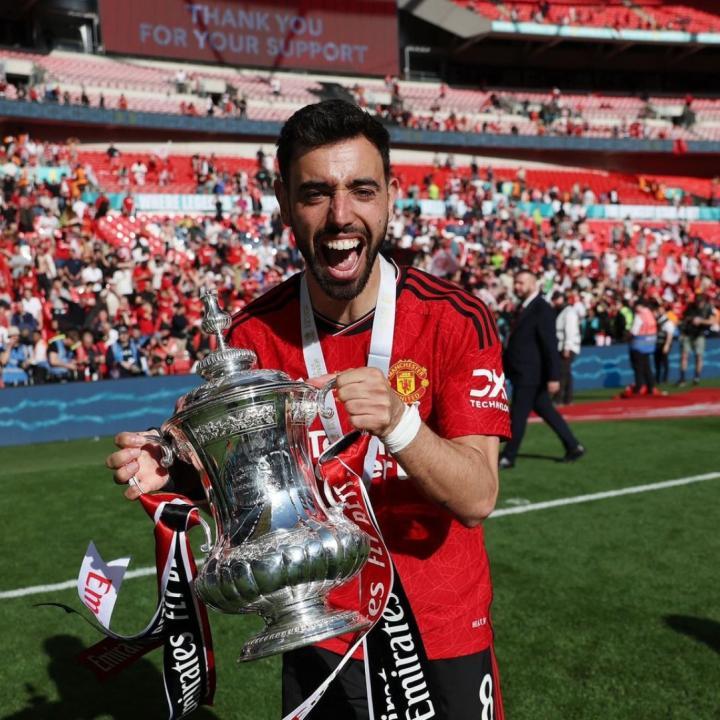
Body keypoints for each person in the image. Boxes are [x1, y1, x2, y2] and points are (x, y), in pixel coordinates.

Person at [105, 99, 510, 719]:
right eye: (316, 193)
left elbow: (478, 496)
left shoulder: (454, 317)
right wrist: (176, 474)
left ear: (391, 195)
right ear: (284, 201)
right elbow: (244, 498)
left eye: (362, 190)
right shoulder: (252, 337)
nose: (340, 216)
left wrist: (400, 422)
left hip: (441, 633)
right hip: (317, 631)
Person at [500, 270, 585, 469]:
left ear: (533, 284)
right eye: (516, 282)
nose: (517, 286)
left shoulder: (541, 308)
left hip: (531, 373)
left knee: (518, 415)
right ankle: (573, 446)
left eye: (521, 283)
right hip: (523, 371)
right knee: (546, 410)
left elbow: (549, 345)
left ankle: (509, 456)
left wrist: (554, 376)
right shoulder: (524, 307)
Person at [622, 298, 658, 397]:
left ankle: (639, 387)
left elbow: (634, 331)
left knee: (638, 368)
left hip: (638, 344)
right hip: (649, 344)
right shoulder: (650, 314)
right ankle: (651, 387)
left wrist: (627, 337)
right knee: (647, 367)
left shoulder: (640, 315)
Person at [677, 292, 714, 386]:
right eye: (697, 301)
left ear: (704, 301)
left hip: (700, 334)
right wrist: (690, 320)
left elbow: (712, 321)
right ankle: (682, 378)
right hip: (688, 333)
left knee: (699, 356)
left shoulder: (708, 308)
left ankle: (697, 378)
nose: (699, 303)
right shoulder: (690, 306)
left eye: (700, 302)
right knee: (684, 355)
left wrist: (701, 321)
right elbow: (683, 318)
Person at [552, 290, 581, 405]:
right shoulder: (561, 311)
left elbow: (570, 331)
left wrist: (567, 347)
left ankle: (558, 398)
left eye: (556, 299)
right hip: (562, 345)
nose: (555, 301)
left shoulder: (569, 312)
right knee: (566, 373)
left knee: (562, 372)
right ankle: (568, 399)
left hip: (568, 346)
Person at [653, 301, 675, 385]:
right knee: (657, 362)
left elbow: (670, 334)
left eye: (661, 309)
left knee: (664, 362)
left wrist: (667, 345)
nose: (659, 311)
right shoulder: (657, 320)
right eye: (658, 310)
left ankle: (665, 379)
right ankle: (657, 379)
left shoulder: (667, 321)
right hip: (657, 344)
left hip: (663, 343)